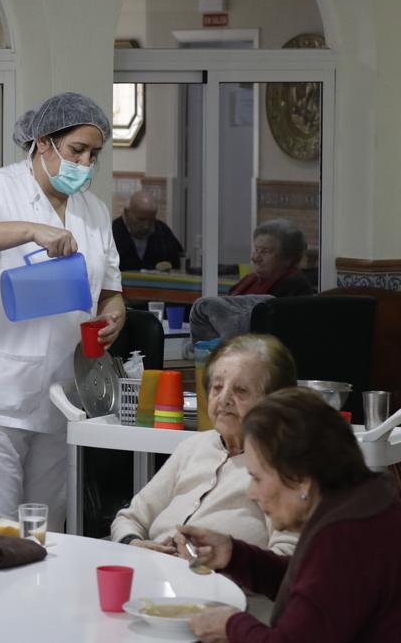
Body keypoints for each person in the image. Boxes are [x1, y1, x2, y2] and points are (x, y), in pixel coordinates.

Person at [0, 91, 125, 528]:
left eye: (94, 154)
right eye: (77, 150)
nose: (85, 164)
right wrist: (29, 231)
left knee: (48, 537)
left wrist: (114, 316)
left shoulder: (93, 211)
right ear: (43, 142)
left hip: (63, 398)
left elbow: (111, 290)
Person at [177, 388, 401, 642]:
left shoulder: (345, 537)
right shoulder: (363, 505)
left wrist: (230, 626)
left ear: (301, 479)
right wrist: (235, 555)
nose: (251, 493)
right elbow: (318, 588)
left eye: (257, 478)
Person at [111, 335, 298, 555]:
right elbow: (130, 518)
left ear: (276, 401)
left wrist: (225, 560)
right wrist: (133, 543)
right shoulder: (192, 447)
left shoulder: (285, 465)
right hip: (151, 569)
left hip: (218, 577)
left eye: (241, 390)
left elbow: (288, 557)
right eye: (217, 387)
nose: (224, 399)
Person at [190, 219, 316, 342]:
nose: (255, 258)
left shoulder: (293, 286)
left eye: (265, 252)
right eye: (256, 250)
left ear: (287, 257)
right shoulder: (249, 280)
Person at [112, 189, 184, 271]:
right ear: (126, 213)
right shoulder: (112, 232)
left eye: (151, 220)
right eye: (141, 219)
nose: (146, 226)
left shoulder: (163, 232)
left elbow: (176, 265)